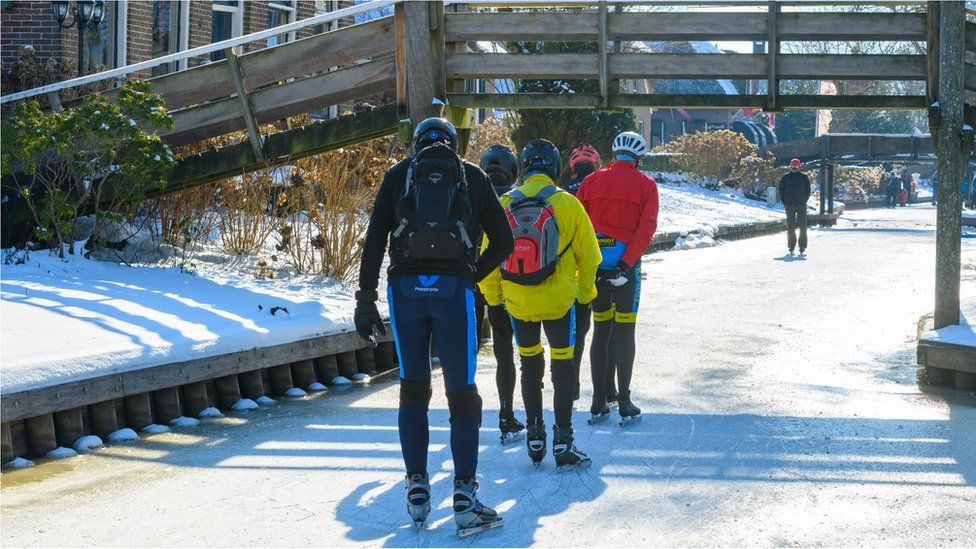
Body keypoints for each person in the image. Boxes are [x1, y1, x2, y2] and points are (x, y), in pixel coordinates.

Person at [355, 118, 513, 536]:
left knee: (413, 387)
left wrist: (365, 300)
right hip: (454, 293)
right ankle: (464, 496)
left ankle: (418, 488)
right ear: (454, 143)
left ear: (415, 144)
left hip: (404, 292)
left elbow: (373, 241)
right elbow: (504, 241)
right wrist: (470, 274)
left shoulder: (397, 176)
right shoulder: (473, 175)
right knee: (462, 394)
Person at [478, 138, 601, 470]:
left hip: (519, 303)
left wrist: (496, 302)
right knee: (563, 370)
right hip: (561, 303)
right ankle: (563, 441)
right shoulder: (568, 203)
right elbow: (590, 258)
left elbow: (487, 260)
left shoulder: (503, 203)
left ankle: (534, 434)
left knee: (529, 367)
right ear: (554, 166)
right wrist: (584, 295)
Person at [576, 131, 659, 427]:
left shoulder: (591, 181)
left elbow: (579, 225)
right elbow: (646, 228)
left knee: (601, 330)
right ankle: (624, 400)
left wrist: (591, 263)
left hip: (596, 266)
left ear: (613, 155)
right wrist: (625, 264)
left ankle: (599, 401)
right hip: (626, 268)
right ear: (638, 159)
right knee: (625, 331)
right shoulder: (646, 185)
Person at [478, 144, 525, 445]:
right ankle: (507, 416)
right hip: (511, 284)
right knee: (512, 353)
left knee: (473, 353)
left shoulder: (471, 191)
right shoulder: (515, 201)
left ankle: (465, 415)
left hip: (473, 282)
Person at [563, 144, 617, 405]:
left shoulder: (564, 192)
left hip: (573, 272)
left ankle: (571, 385)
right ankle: (607, 388)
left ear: (573, 167)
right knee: (605, 330)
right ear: (597, 165)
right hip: (605, 265)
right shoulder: (605, 186)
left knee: (578, 331)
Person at [778, 158, 811, 254]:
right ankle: (791, 246)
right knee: (790, 227)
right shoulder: (785, 177)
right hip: (789, 205)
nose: (794, 166)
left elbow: (808, 191)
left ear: (799, 166)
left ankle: (802, 246)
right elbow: (781, 191)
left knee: (803, 227)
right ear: (790, 166)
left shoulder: (804, 177)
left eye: (796, 165)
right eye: (793, 165)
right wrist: (785, 202)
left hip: (801, 204)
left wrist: (804, 200)